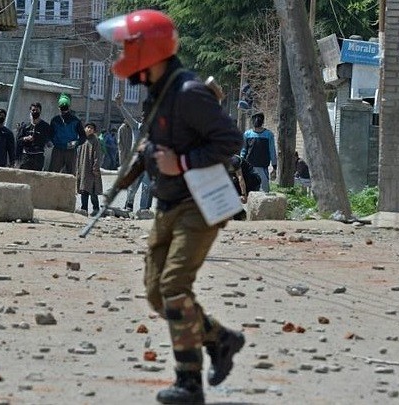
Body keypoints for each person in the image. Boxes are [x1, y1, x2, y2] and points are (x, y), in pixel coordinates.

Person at [98, 10, 245, 404]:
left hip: (198, 204)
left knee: (175, 287)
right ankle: (220, 338)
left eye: (132, 45)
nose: (126, 54)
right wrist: (148, 154)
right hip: (167, 203)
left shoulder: (188, 92)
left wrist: (179, 162)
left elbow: (230, 141)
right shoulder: (158, 92)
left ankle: (189, 383)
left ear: (151, 49)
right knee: (156, 294)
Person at [114, 94, 153, 213]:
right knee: (132, 185)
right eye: (143, 116)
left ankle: (143, 209)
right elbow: (127, 116)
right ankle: (129, 204)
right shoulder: (136, 127)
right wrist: (120, 105)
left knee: (146, 187)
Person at [48, 93, 86, 175]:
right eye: (62, 107)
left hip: (71, 151)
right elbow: (49, 134)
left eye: (65, 107)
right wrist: (49, 141)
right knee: (53, 174)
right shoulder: (55, 120)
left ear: (69, 107)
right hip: (57, 150)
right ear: (59, 107)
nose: (64, 110)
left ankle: (70, 188)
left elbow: (83, 136)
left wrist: (77, 142)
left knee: (71, 175)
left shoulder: (75, 121)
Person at [240, 112, 277, 192]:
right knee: (251, 190)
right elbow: (243, 150)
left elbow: (272, 150)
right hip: (250, 166)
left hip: (262, 167)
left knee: (264, 190)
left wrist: (274, 166)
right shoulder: (247, 134)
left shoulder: (268, 134)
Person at [75, 122, 103, 217]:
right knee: (83, 190)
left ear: (94, 131)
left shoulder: (95, 141)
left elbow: (97, 155)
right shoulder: (82, 140)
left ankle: (96, 209)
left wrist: (95, 167)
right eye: (88, 127)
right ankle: (84, 209)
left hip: (91, 170)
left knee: (93, 191)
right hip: (82, 170)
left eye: (91, 128)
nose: (89, 129)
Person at [15, 102, 52, 171]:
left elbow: (49, 141)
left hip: (38, 156)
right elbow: (18, 140)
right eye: (33, 110)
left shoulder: (45, 126)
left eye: (37, 110)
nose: (35, 112)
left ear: (40, 111)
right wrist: (25, 138)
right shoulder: (25, 125)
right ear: (30, 111)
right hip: (26, 156)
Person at [228, 154, 261, 220]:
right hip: (240, 180)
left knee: (247, 198)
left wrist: (244, 195)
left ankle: (248, 216)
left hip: (252, 179)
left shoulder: (234, 160)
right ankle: (240, 215)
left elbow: (241, 178)